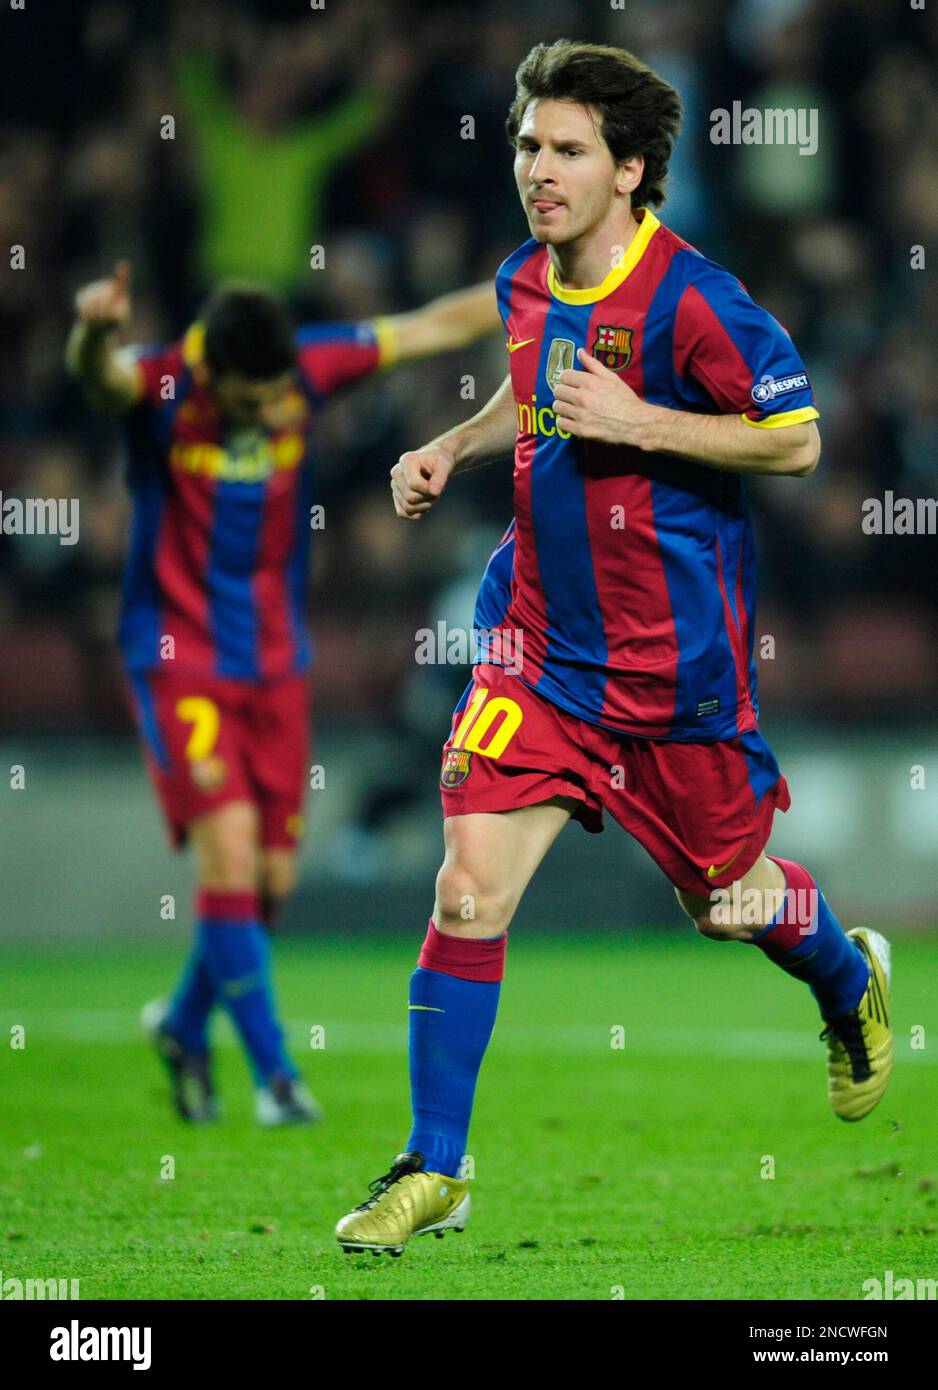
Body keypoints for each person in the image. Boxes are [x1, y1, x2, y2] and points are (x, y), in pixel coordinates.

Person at [335, 39, 892, 1255]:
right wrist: (451, 447)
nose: (536, 169)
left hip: (672, 677)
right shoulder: (522, 278)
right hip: (536, 650)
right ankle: (436, 1163)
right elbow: (529, 387)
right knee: (466, 889)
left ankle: (848, 981)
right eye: (528, 145)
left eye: (566, 151)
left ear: (629, 170)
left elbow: (795, 439)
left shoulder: (695, 299)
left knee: (724, 902)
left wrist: (642, 421)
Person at [66, 264, 500, 1125]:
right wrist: (92, 332)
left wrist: (543, 282)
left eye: (277, 400)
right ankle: (277, 1079)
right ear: (213, 371)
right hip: (180, 658)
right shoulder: (163, 383)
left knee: (269, 878)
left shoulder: (305, 367)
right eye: (253, 399)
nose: (270, 412)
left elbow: (431, 325)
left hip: (273, 661)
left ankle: (183, 1026)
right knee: (228, 859)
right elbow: (99, 377)